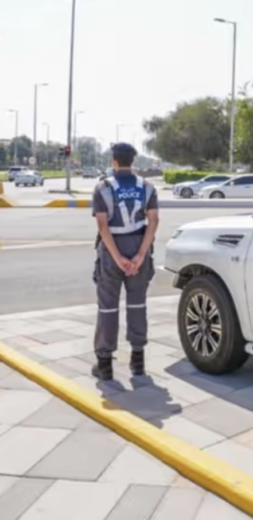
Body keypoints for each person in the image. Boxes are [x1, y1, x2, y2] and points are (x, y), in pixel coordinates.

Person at [91, 142, 159, 381]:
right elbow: (154, 221)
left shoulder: (103, 188)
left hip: (112, 251)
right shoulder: (147, 187)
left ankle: (104, 364)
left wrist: (118, 258)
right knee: (137, 304)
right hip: (139, 246)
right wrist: (140, 255)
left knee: (108, 306)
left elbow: (102, 226)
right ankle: (137, 361)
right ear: (133, 161)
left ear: (114, 161)